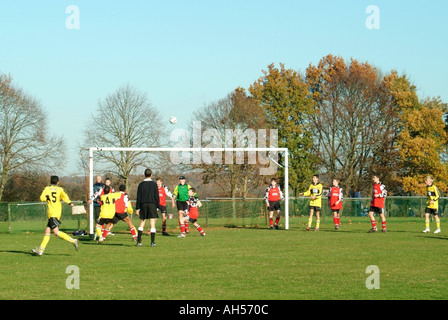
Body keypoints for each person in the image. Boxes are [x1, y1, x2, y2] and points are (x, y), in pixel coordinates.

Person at [32, 176, 78, 256]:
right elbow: (65, 197)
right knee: (47, 232)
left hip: (52, 213)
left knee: (56, 232)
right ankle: (40, 250)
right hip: (57, 213)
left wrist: (47, 198)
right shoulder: (60, 189)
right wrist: (70, 203)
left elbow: (42, 198)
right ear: (58, 182)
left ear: (50, 181)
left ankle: (73, 241)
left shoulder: (47, 189)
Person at [135, 168, 160, 247]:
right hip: (152, 204)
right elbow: (157, 196)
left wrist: (137, 208)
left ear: (144, 175)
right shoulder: (154, 184)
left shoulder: (141, 184)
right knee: (152, 222)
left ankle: (139, 242)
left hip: (143, 204)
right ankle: (152, 242)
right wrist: (157, 207)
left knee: (142, 222)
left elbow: (138, 197)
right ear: (151, 175)